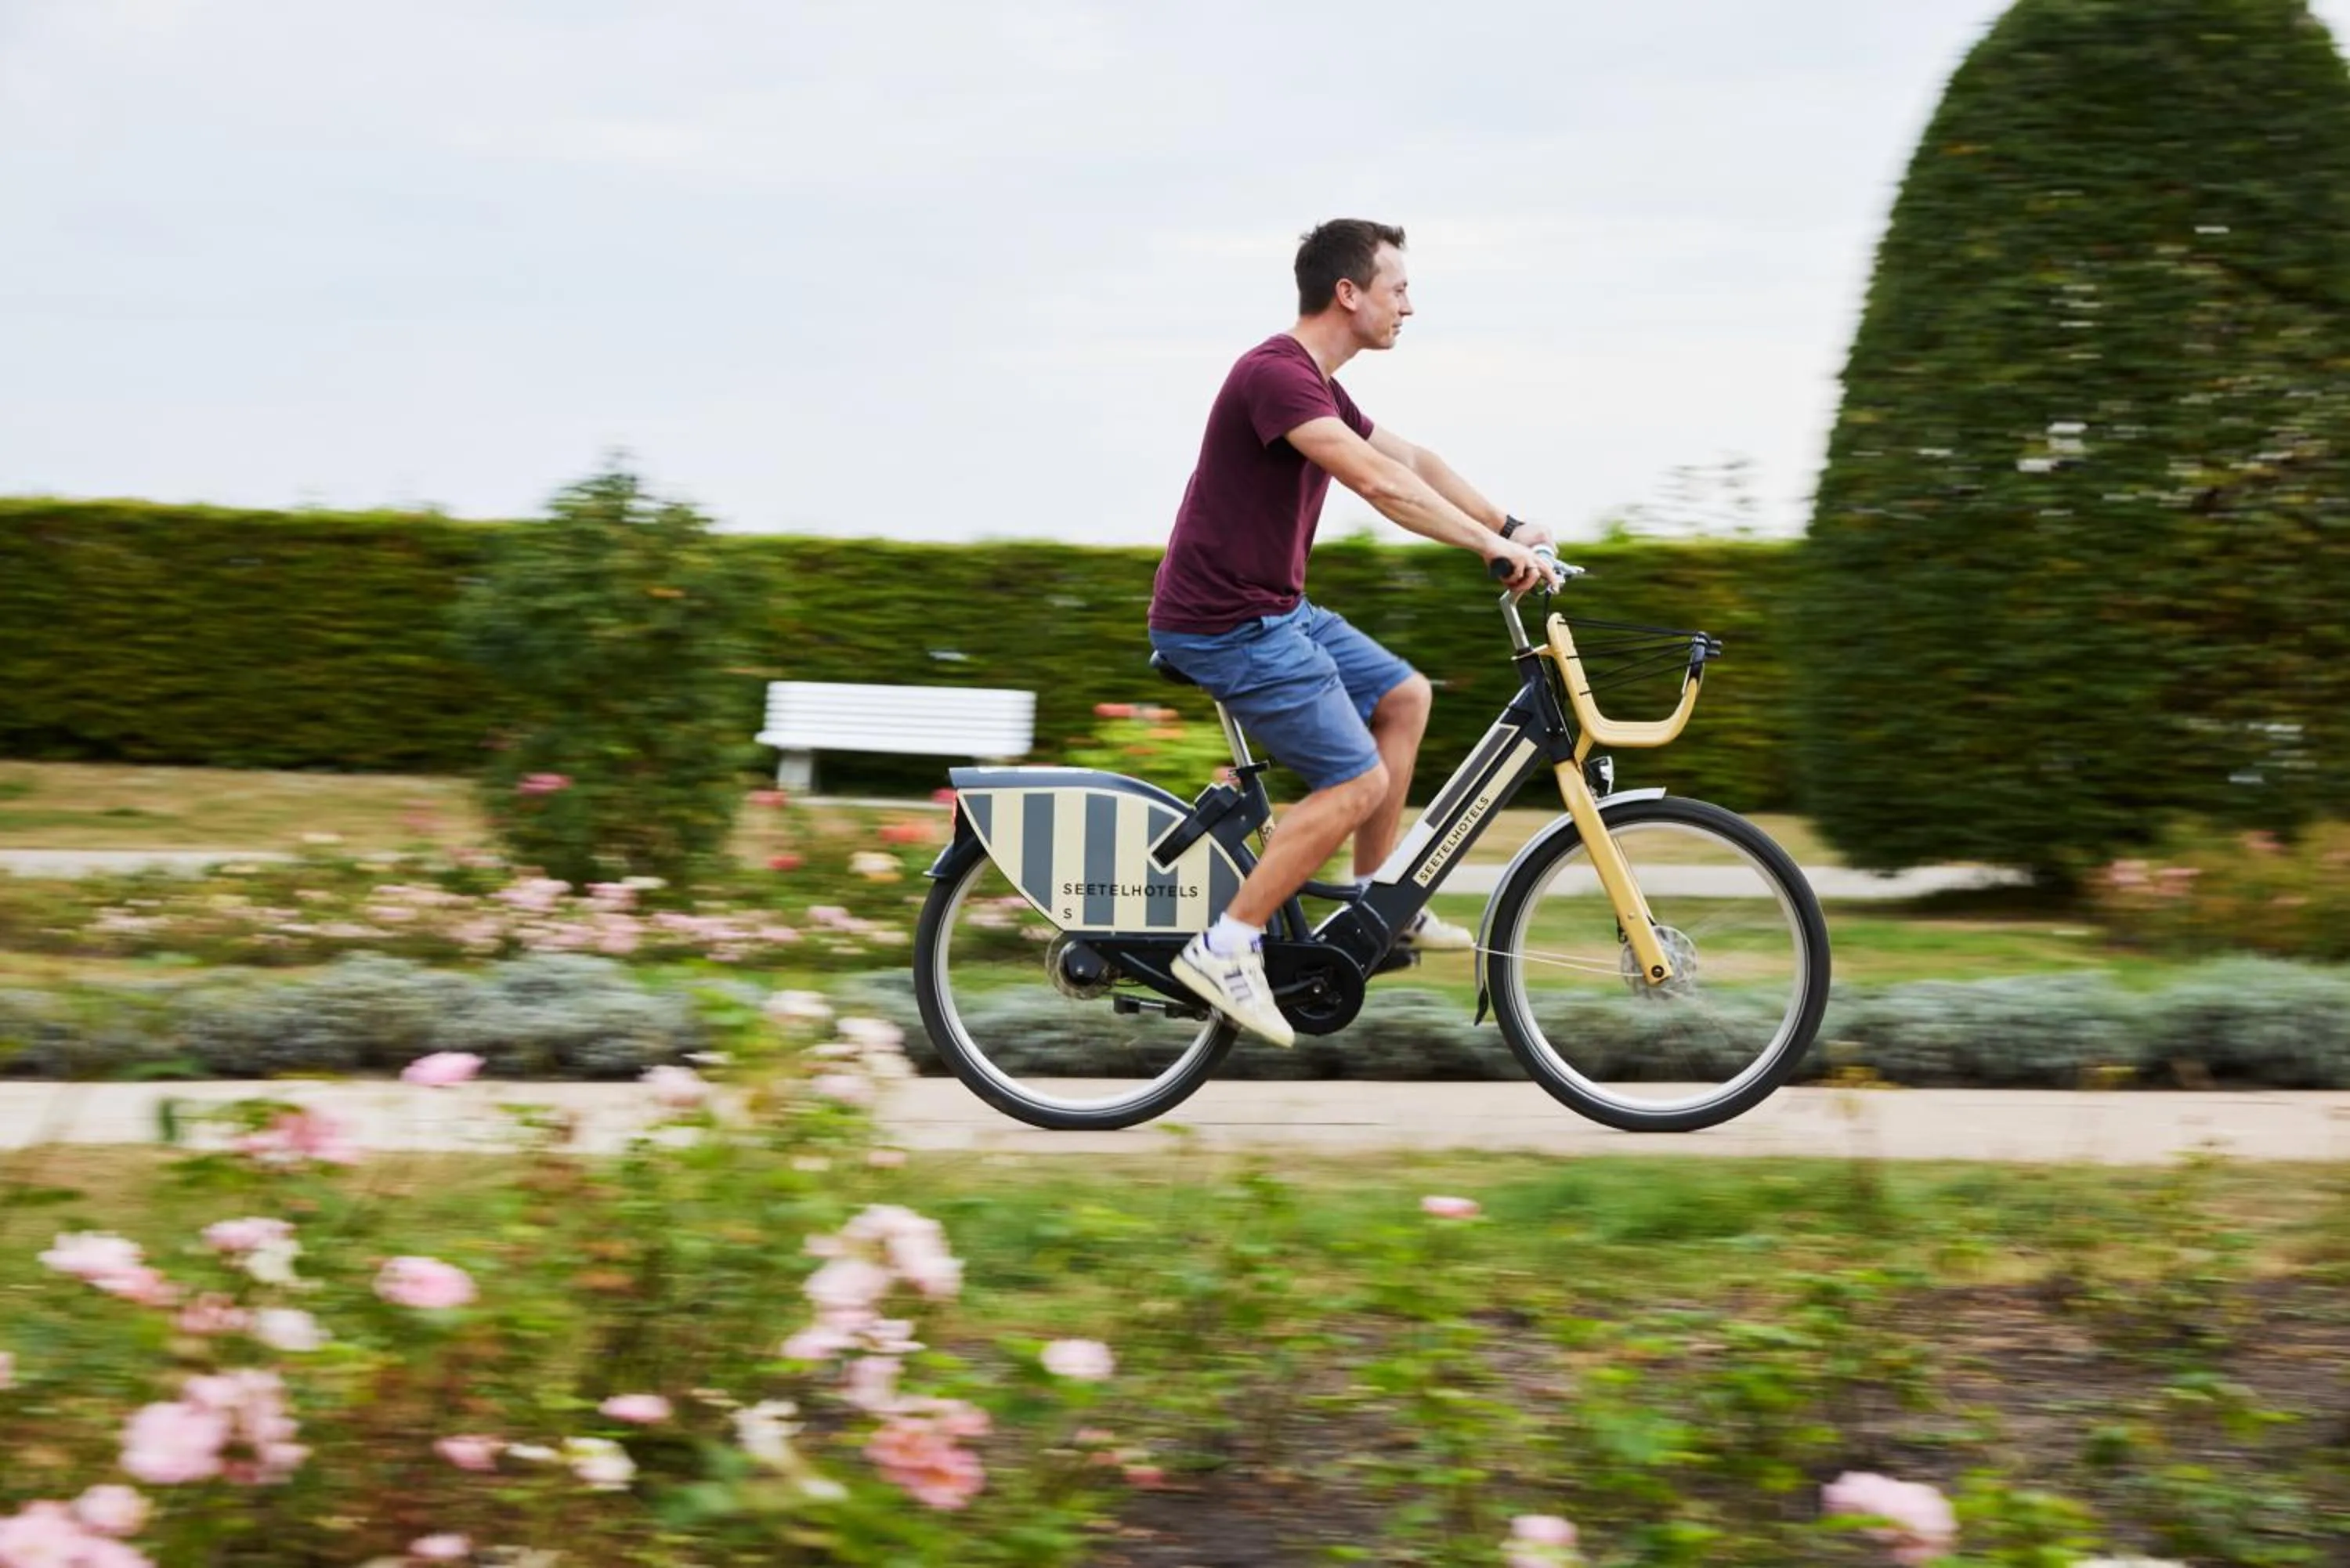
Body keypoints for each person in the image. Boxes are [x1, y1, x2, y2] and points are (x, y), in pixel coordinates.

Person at [1148, 218, 1555, 1047]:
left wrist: (1508, 520)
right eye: (1398, 288)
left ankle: (1383, 898)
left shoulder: (1318, 383)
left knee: (1403, 697)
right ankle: (1225, 946)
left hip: (1273, 609)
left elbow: (1414, 462)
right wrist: (1488, 546)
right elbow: (1377, 485)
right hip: (1225, 622)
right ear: (1349, 292)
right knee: (1357, 782)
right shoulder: (1274, 376)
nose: (1410, 304)